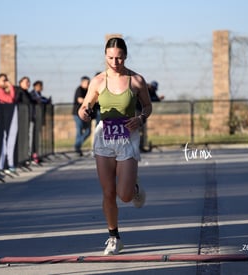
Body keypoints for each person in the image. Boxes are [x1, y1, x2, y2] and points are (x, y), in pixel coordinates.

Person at [78, 37, 152, 255]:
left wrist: (140, 119)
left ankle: (135, 188)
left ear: (125, 56)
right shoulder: (98, 81)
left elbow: (148, 106)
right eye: (110, 57)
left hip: (128, 138)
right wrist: (84, 113)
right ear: (105, 56)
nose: (115, 62)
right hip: (104, 139)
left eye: (119, 58)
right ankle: (114, 237)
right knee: (108, 192)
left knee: (125, 195)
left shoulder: (136, 80)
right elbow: (84, 106)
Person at [72, 76, 91, 156]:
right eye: (87, 82)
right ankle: (77, 148)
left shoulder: (88, 90)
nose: (88, 84)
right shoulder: (79, 89)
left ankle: (77, 146)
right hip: (77, 114)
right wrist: (90, 101)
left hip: (86, 114)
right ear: (82, 83)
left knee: (88, 131)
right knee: (79, 131)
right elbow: (80, 100)